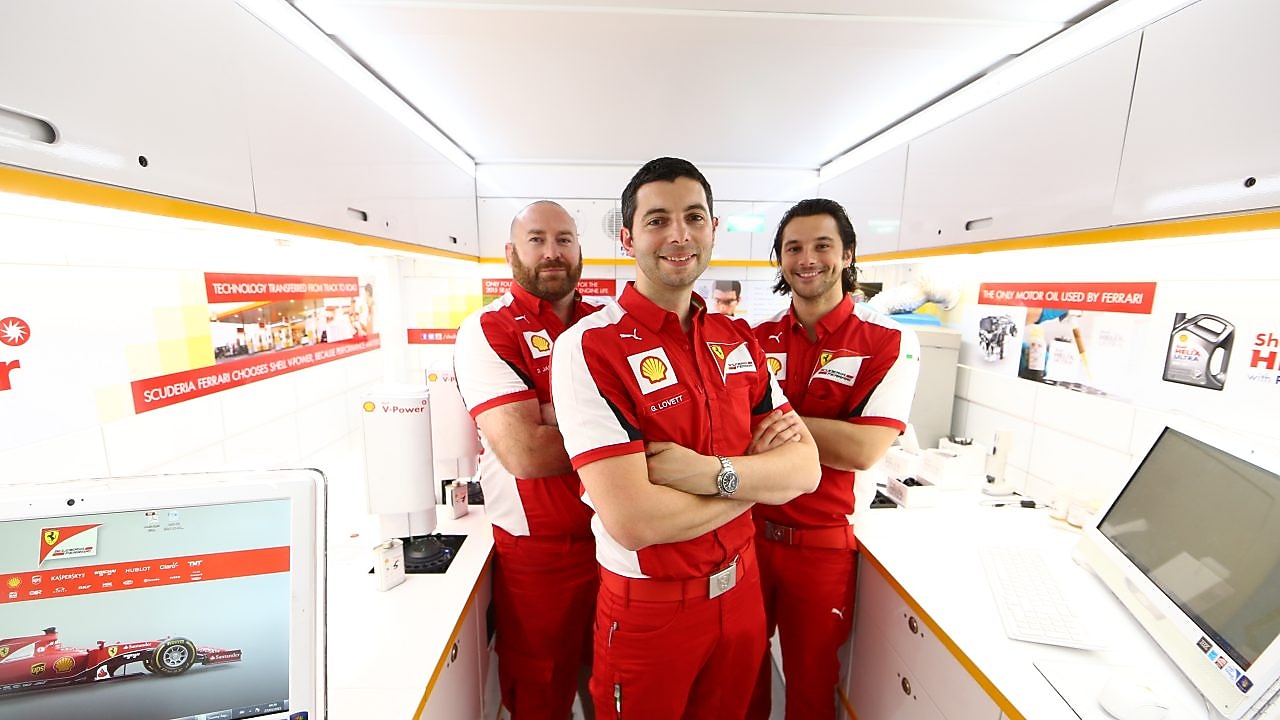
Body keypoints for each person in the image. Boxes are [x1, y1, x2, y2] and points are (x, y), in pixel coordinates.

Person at [550, 157, 822, 720]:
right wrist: (757, 480)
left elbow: (806, 470)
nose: (679, 235)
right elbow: (637, 522)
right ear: (627, 238)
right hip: (651, 607)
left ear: (713, 230)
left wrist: (708, 474)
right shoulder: (590, 347)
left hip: (742, 593)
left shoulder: (736, 337)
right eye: (657, 221)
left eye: (694, 217)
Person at [746, 198, 921, 720]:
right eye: (793, 248)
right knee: (741, 681)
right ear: (780, 259)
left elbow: (865, 450)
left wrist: (770, 422)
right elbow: (730, 433)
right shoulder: (755, 339)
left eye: (822, 245)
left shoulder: (888, 341)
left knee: (810, 688)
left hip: (822, 546)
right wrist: (821, 430)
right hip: (746, 535)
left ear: (847, 254)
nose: (807, 259)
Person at [454, 201, 606, 720]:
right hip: (539, 554)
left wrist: (549, 414)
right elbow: (526, 452)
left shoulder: (606, 326)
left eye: (564, 239)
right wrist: (614, 435)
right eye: (536, 239)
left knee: (613, 687)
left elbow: (651, 420)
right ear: (511, 252)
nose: (552, 252)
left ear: (580, 249)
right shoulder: (489, 329)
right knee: (541, 694)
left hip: (618, 539)